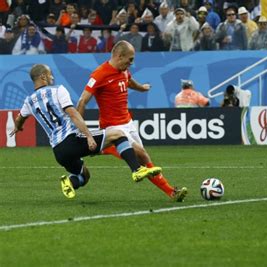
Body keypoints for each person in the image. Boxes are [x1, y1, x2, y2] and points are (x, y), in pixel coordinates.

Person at [10, 64, 162, 199]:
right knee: (117, 134)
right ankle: (136, 169)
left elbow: (20, 118)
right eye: (50, 74)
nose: (52, 77)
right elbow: (74, 114)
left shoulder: (29, 101)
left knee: (84, 175)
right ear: (43, 76)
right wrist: (88, 136)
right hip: (72, 140)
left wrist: (18, 127)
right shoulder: (58, 90)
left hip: (59, 152)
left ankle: (71, 181)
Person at [76, 40, 188, 202]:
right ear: (120, 56)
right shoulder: (99, 74)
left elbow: (128, 80)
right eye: (130, 59)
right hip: (113, 127)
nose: (131, 63)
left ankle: (106, 149)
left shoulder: (123, 70)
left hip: (128, 123)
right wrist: (80, 129)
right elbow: (82, 101)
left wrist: (141, 88)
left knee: (144, 160)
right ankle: (171, 192)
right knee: (141, 154)